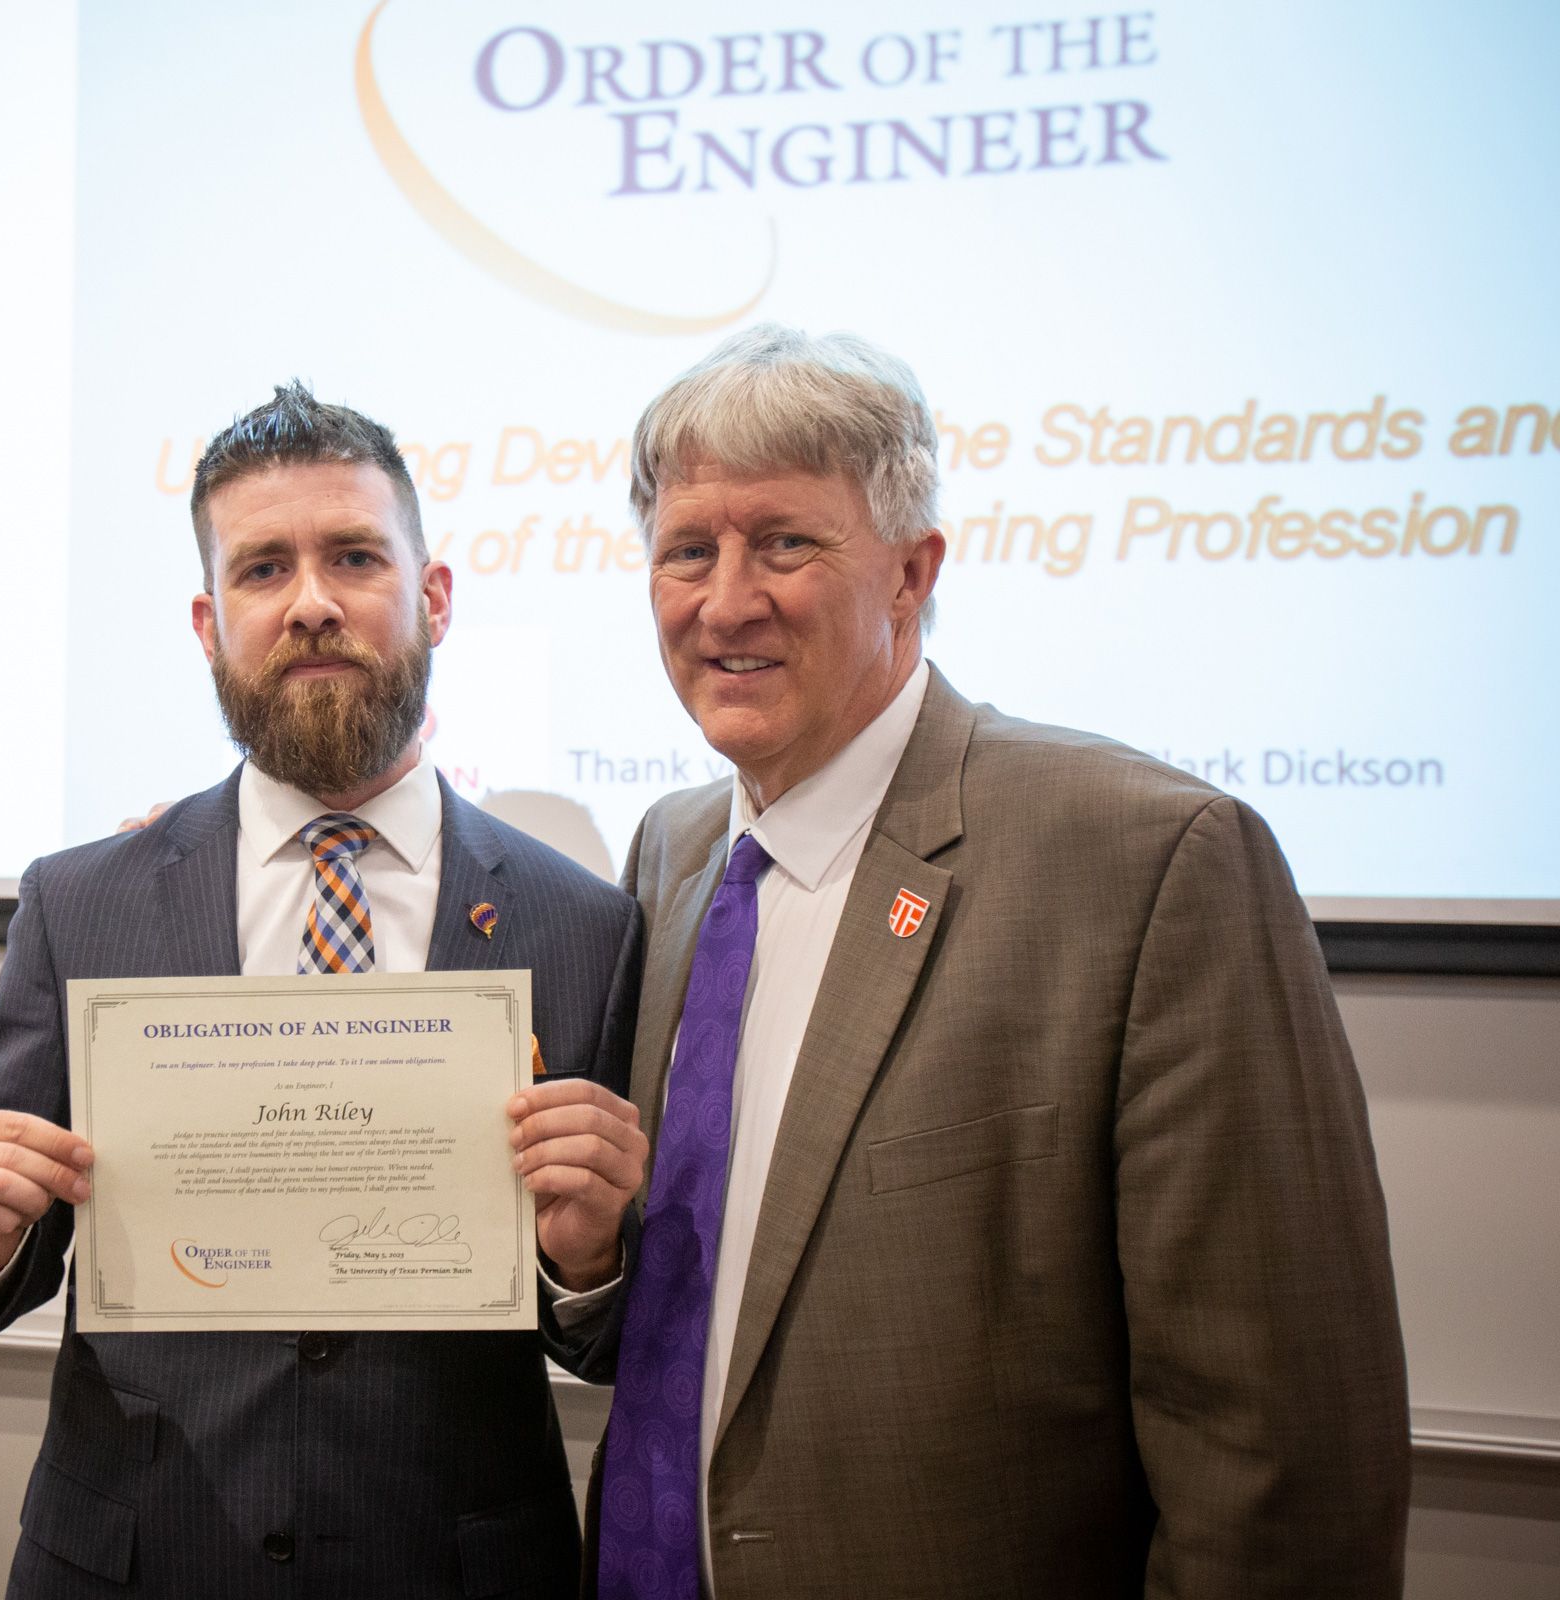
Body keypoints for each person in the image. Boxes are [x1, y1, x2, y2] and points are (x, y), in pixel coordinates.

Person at [586, 325, 1409, 1599]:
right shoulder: (669, 854)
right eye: (688, 549)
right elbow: (681, 1310)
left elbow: (1279, 1451)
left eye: (786, 542)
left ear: (913, 571)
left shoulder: (1152, 861)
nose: (726, 598)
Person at [0, 382, 650, 1599]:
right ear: (207, 621)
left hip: (453, 1566)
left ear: (434, 594)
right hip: (137, 1561)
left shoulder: (587, 923)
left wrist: (592, 1252)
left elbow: (603, 1331)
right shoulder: (81, 901)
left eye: (353, 557)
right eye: (261, 570)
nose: (310, 604)